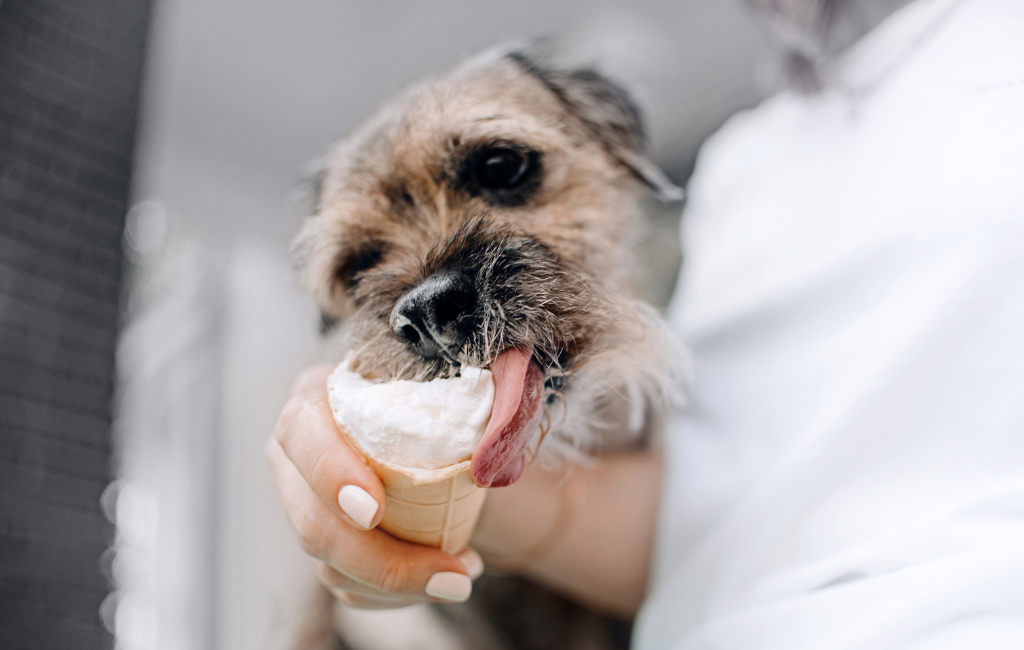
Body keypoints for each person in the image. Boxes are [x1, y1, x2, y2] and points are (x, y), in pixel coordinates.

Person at [267, 0, 1024, 646]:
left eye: (503, 171)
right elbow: (731, 526)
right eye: (362, 267)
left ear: (614, 147)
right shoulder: (743, 167)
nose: (426, 298)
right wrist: (483, 510)